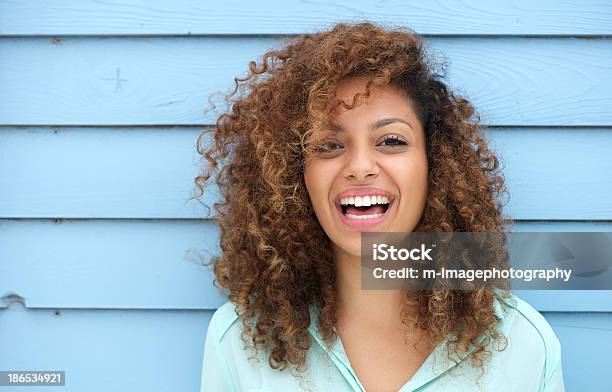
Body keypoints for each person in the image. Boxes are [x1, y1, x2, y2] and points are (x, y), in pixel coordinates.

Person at [194, 22, 564, 392]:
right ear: (294, 176)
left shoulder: (523, 345)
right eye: (328, 145)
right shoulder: (238, 344)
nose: (359, 167)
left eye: (390, 140)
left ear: (433, 163)